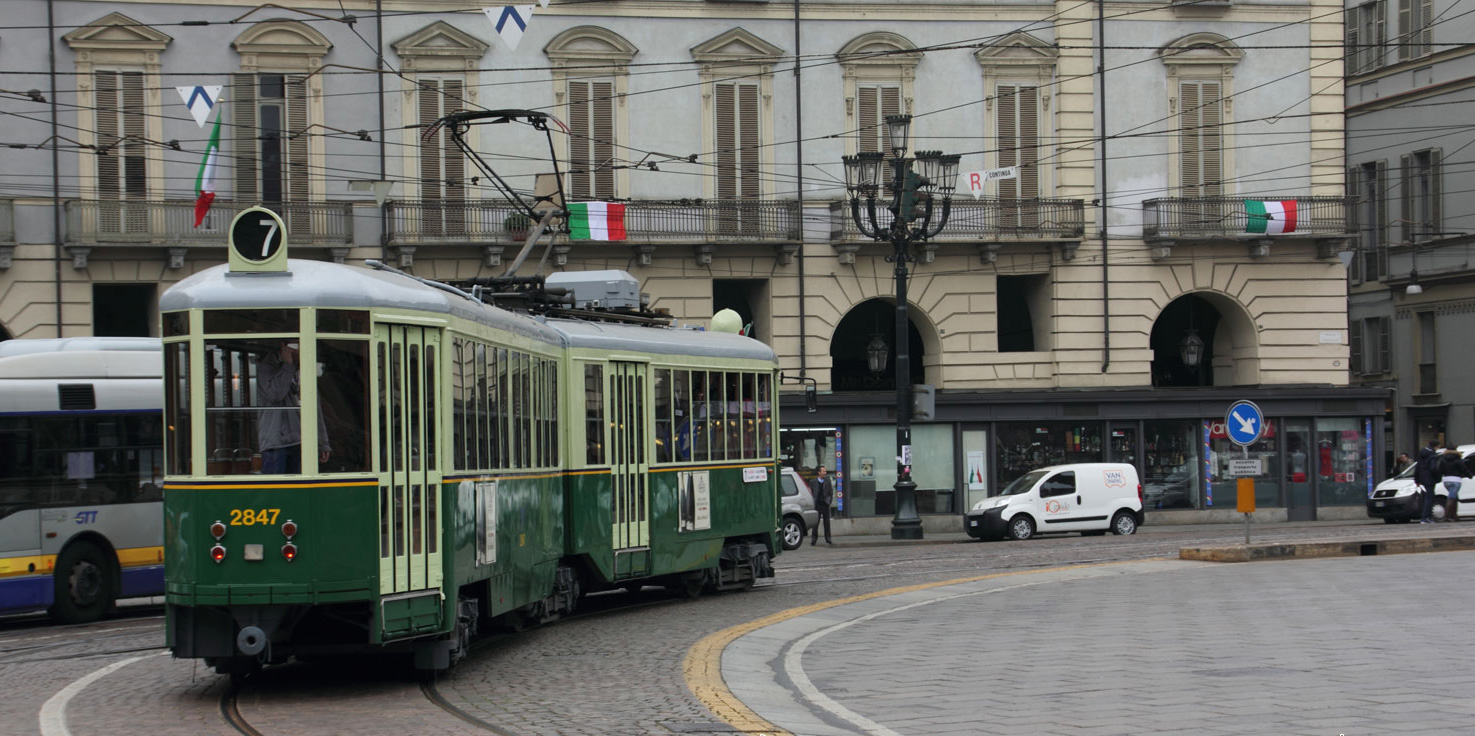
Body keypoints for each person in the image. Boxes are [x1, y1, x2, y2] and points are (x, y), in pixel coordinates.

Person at [257, 342, 330, 474]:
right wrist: (287, 365)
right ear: (286, 348)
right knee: (275, 489)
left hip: (300, 440)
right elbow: (276, 394)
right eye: (299, 346)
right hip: (275, 443)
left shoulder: (302, 370)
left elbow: (315, 409)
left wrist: (323, 442)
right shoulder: (266, 368)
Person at [1438, 448, 1469, 522]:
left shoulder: (1442, 460)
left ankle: (1454, 516)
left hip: (1446, 480)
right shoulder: (1458, 460)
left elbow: (1439, 470)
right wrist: (1469, 475)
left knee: (1454, 497)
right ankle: (1446, 516)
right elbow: (1464, 469)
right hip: (1456, 480)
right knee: (1451, 498)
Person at [1415, 441, 1440, 523]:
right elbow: (1433, 468)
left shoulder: (1421, 454)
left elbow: (1417, 467)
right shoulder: (1433, 455)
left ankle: (1426, 517)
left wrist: (1417, 479)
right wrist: (1437, 477)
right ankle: (1426, 517)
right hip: (1430, 479)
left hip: (1423, 478)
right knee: (1429, 498)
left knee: (1426, 498)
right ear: (1436, 446)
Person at [809, 465, 834, 546]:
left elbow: (831, 492)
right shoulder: (813, 482)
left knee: (827, 523)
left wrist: (829, 501)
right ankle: (814, 539)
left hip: (825, 504)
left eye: (825, 471)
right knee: (816, 523)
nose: (825, 473)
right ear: (819, 472)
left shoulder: (827, 481)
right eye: (823, 471)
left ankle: (828, 538)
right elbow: (811, 493)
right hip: (817, 505)